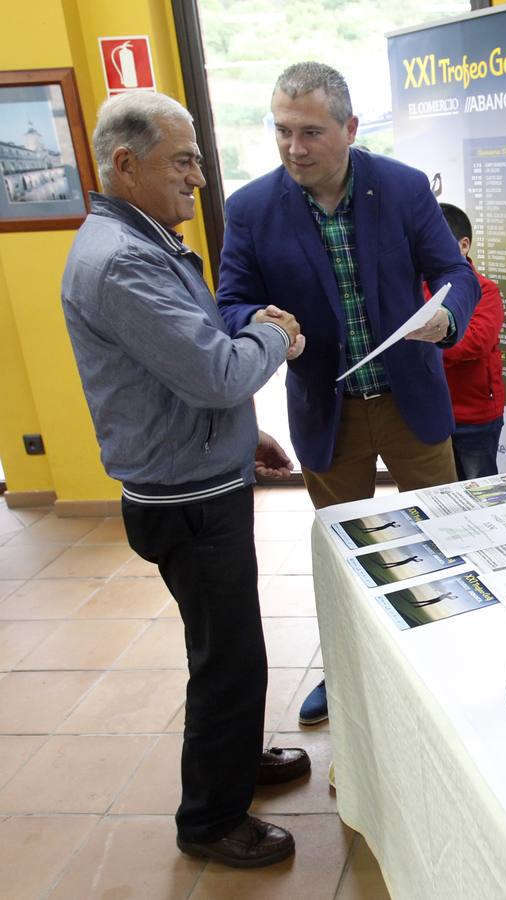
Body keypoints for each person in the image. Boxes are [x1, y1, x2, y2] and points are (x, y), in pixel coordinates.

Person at [61, 92, 311, 868]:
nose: (199, 178)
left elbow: (184, 364)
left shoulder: (145, 241)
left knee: (231, 649)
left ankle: (234, 761)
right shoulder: (123, 261)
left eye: (199, 159)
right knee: (228, 660)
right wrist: (274, 336)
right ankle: (209, 820)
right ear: (126, 164)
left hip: (201, 475)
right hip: (188, 502)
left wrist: (246, 434)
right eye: (183, 161)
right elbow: (211, 371)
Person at [217, 62, 480, 725]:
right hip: (325, 409)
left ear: (349, 128)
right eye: (282, 131)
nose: (294, 148)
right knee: (344, 559)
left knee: (440, 542)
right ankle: (344, 672)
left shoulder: (401, 187)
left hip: (409, 401)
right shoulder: (249, 209)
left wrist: (449, 316)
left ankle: (447, 664)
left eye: (310, 132)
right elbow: (230, 303)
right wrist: (261, 324)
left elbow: (452, 268)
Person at [436, 203, 506, 479]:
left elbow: (475, 342)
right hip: (431, 416)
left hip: (475, 417)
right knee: (436, 497)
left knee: (480, 495)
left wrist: (421, 345)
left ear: (463, 245)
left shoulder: (485, 290)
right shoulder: (418, 287)